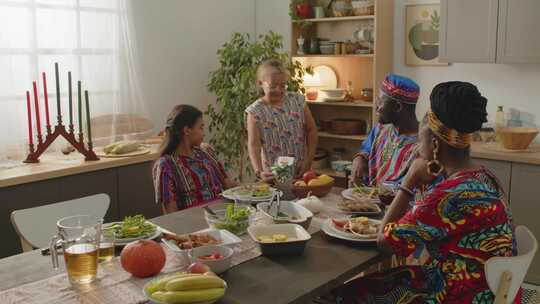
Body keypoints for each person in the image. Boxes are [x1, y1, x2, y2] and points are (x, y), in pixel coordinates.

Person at [335, 82, 520, 303]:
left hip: (457, 294)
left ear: (434, 144)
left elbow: (384, 241)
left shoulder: (448, 195)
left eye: (421, 133)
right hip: (490, 288)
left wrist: (409, 180)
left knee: (342, 295)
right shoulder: (486, 177)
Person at [153, 105, 236, 214]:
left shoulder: (206, 151)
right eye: (201, 127)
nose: (204, 133)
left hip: (225, 215)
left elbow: (228, 184)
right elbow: (171, 213)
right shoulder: (165, 165)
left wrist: (256, 187)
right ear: (187, 130)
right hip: (194, 223)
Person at [246, 58, 318, 181]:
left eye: (283, 85)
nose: (279, 90)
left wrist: (308, 161)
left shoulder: (297, 100)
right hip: (273, 176)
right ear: (260, 83)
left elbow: (311, 130)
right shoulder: (255, 111)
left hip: (300, 170)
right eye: (273, 86)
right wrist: (259, 172)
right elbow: (254, 146)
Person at [350, 74, 420, 187]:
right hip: (370, 201)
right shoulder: (380, 131)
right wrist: (359, 159)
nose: (377, 107)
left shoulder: (423, 145)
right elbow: (366, 149)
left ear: (398, 107)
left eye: (381, 102)